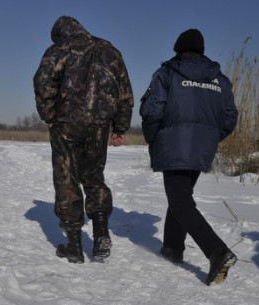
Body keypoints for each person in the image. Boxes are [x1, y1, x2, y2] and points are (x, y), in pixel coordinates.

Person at [140, 29, 239, 285]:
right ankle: (173, 247)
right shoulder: (220, 79)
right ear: (201, 50)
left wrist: (153, 139)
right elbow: (230, 118)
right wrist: (209, 139)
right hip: (202, 148)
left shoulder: (167, 73)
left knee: (180, 200)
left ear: (178, 49)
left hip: (173, 145)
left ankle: (217, 252)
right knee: (181, 197)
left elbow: (152, 112)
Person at [33, 16, 134, 263]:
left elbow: (43, 82)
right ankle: (101, 236)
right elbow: (124, 92)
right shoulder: (110, 50)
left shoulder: (59, 49)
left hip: (66, 123)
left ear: (60, 33)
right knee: (94, 177)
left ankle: (74, 246)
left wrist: (49, 115)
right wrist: (119, 127)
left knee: (66, 179)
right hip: (100, 125)